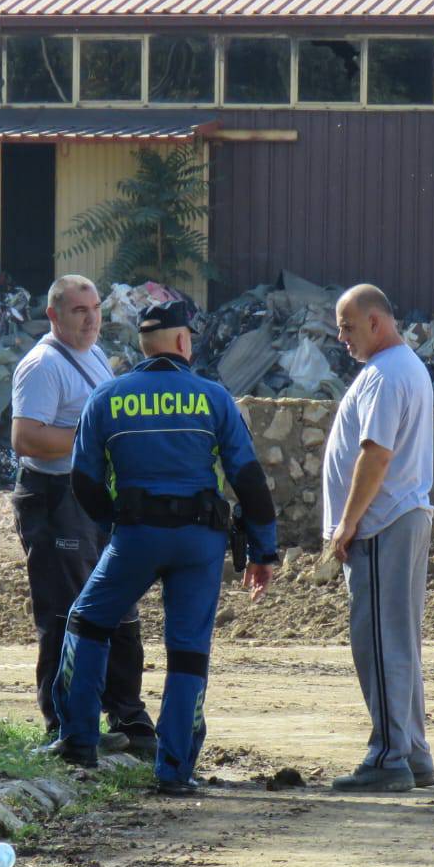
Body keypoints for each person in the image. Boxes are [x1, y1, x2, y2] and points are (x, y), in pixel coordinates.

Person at [46, 299, 279, 796]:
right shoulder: (214, 398)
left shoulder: (108, 397)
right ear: (181, 343)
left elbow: (83, 482)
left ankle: (78, 740)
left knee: (87, 622)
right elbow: (249, 480)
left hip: (135, 536)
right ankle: (174, 771)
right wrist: (264, 551)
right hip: (202, 543)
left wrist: (116, 523)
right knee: (189, 652)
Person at [10, 275, 155, 755]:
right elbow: (27, 438)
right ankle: (65, 725)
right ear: (54, 316)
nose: (91, 318)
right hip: (55, 498)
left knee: (116, 605)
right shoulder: (43, 366)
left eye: (94, 307)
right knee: (66, 611)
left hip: (93, 496)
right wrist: (93, 442)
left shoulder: (92, 353)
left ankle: (127, 718)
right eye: (79, 310)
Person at [322, 284, 434, 792]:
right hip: (401, 517)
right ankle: (411, 752)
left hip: (383, 523)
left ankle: (389, 757)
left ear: (376, 322)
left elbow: (376, 454)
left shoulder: (387, 375)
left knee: (381, 642)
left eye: (347, 327)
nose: (341, 337)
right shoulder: (401, 367)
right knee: (399, 641)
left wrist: (348, 522)